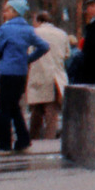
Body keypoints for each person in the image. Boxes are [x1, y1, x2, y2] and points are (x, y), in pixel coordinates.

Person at [0, 0, 50, 153]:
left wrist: (3, 56)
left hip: (7, 72)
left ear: (14, 12)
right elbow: (44, 46)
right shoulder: (27, 29)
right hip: (21, 72)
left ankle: (5, 144)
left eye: (7, 10)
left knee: (5, 108)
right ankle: (23, 140)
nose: (4, 13)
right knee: (14, 106)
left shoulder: (5, 29)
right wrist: (29, 59)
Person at [24, 8, 71, 140]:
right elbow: (67, 54)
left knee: (36, 112)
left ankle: (33, 139)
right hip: (56, 77)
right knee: (52, 114)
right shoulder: (62, 34)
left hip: (37, 75)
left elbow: (27, 53)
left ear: (38, 20)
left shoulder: (33, 33)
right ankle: (49, 140)